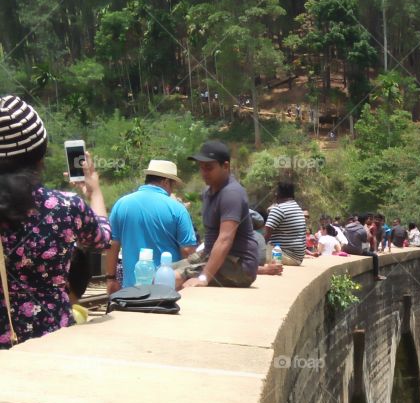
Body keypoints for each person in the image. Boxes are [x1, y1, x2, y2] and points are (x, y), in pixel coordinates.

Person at [0, 96, 110, 349]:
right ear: (40, 154)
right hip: (52, 343)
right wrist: (95, 192)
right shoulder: (65, 206)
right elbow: (102, 238)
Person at [177, 141, 277, 289]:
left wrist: (203, 277)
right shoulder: (207, 193)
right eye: (201, 167)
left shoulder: (232, 193)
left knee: (175, 277)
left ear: (225, 166)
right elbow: (211, 240)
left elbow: (225, 239)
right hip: (212, 257)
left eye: (209, 168)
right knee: (162, 271)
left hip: (239, 266)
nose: (204, 172)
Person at [104, 159, 197, 291]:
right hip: (168, 290)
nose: (172, 191)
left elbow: (112, 244)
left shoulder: (121, 204)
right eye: (173, 185)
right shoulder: (178, 209)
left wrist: (111, 279)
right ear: (166, 181)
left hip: (131, 289)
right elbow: (187, 250)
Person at [264, 181, 307, 265]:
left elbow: (265, 236)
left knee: (248, 253)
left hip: (283, 256)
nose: (275, 194)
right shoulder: (297, 208)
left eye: (276, 192)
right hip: (297, 258)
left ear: (279, 193)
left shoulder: (279, 209)